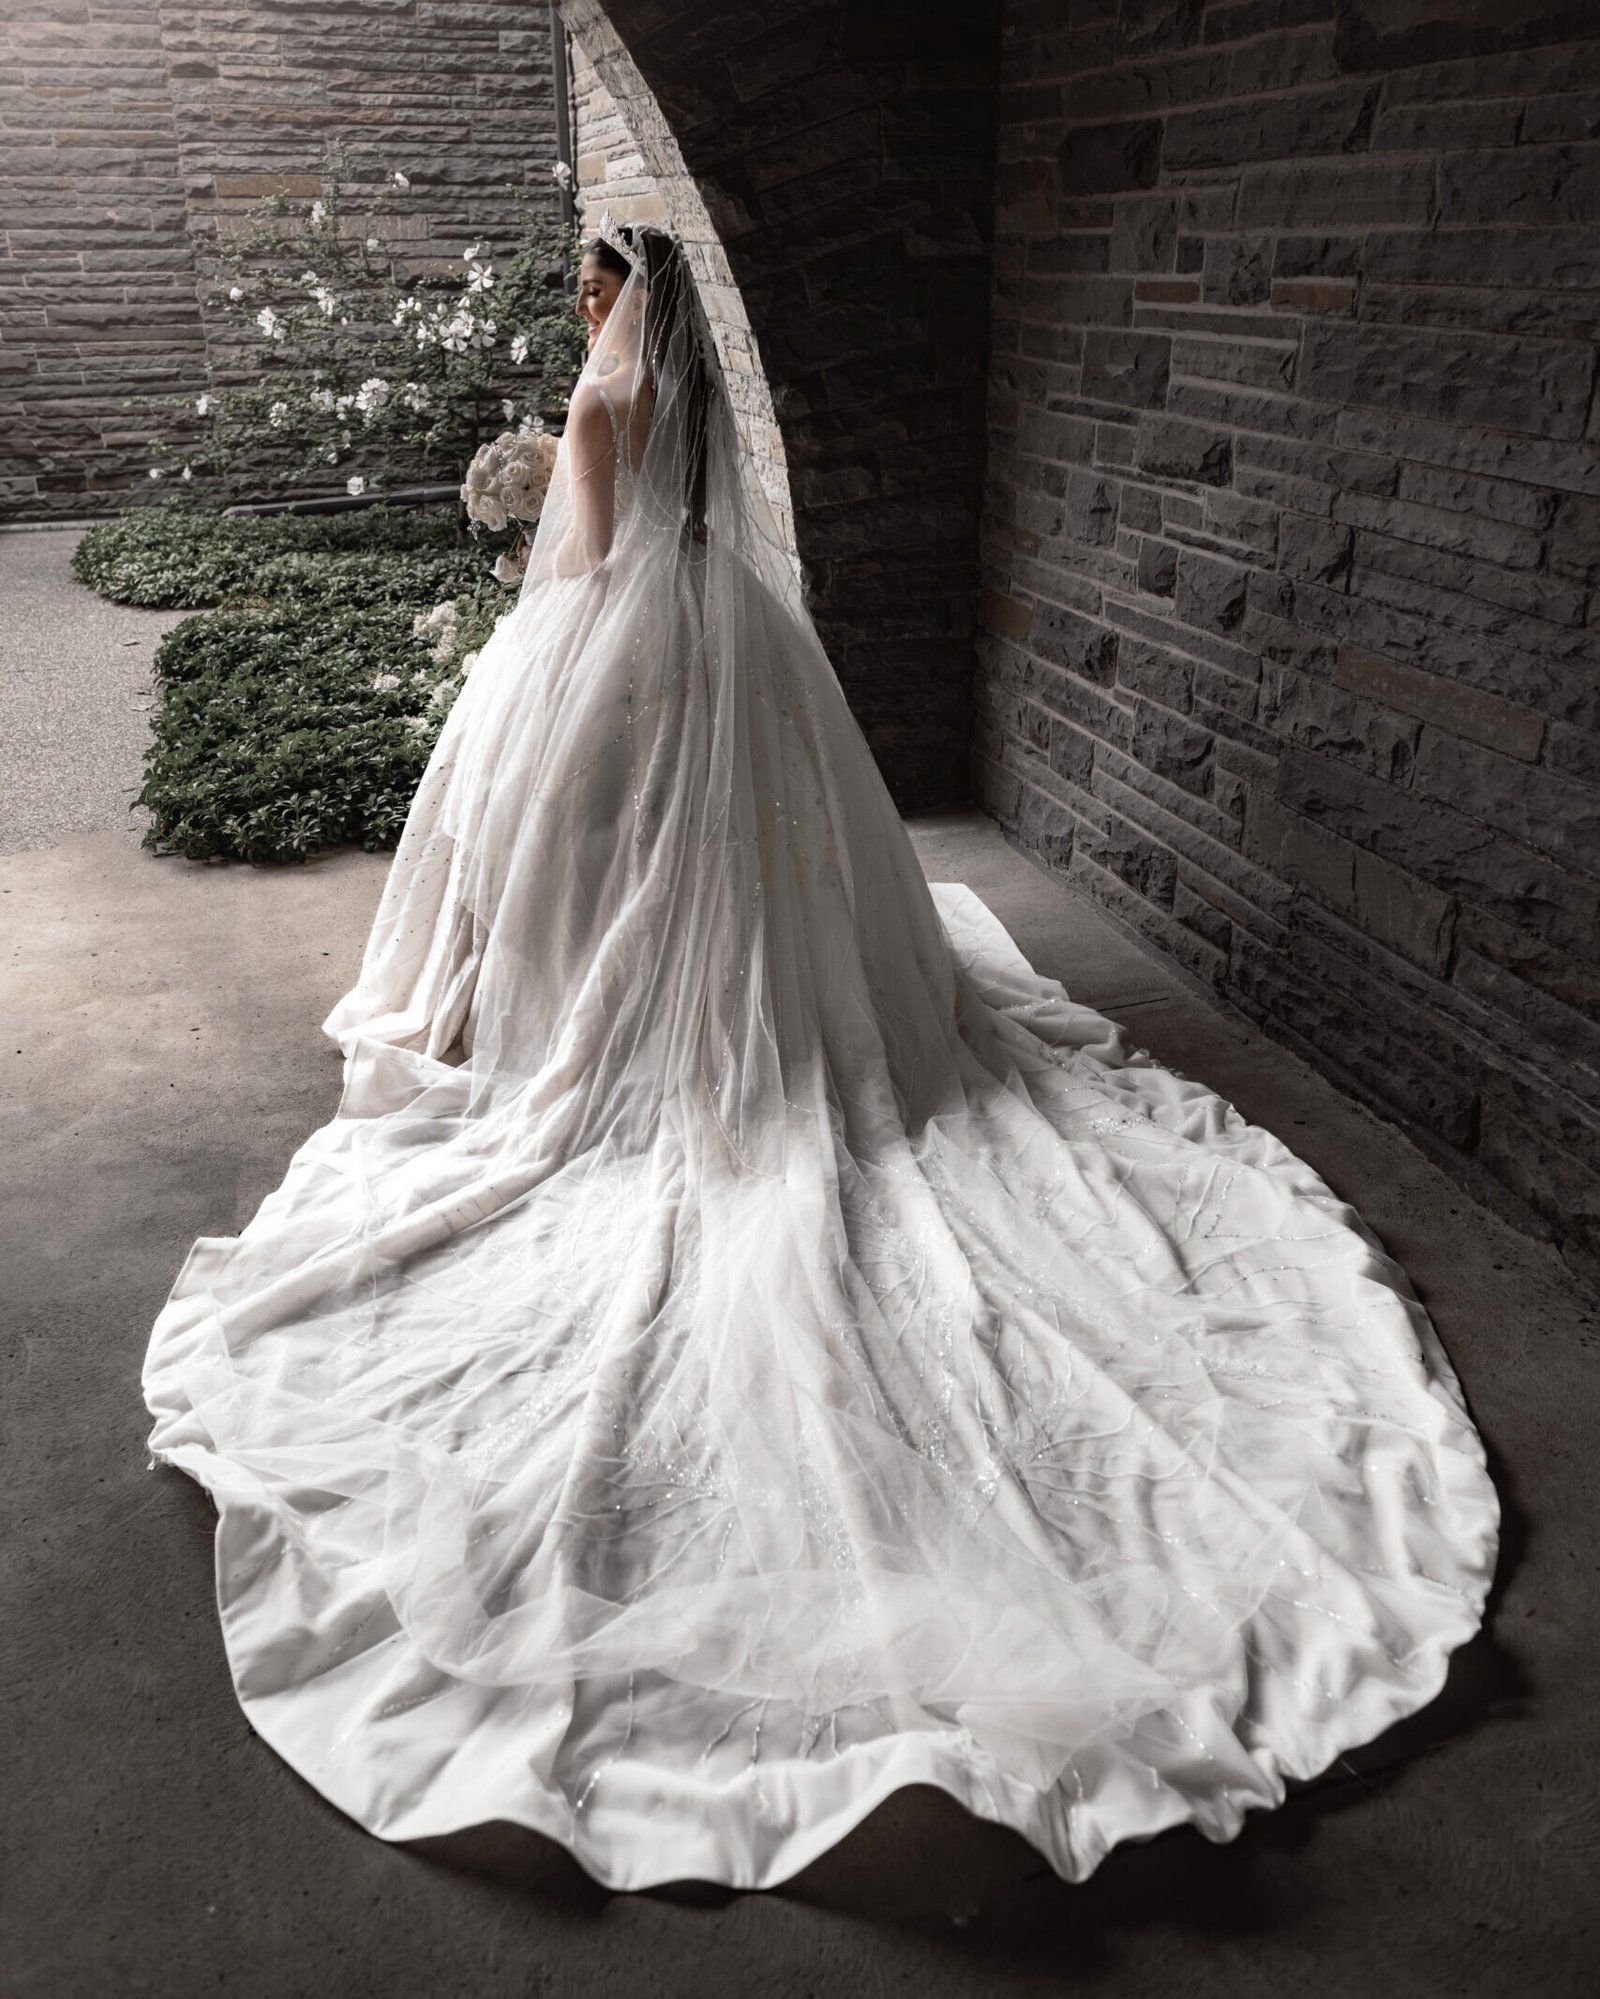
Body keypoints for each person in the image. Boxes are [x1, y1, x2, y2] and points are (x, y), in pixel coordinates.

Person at [143, 218, 1498, 1892]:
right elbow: (699, 527)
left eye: (590, 288)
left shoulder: (596, 408)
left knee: (589, 857)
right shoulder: (697, 395)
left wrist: (532, 572)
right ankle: (750, 1001)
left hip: (614, 638)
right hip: (722, 633)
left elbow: (581, 562)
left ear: (614, 301)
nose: (582, 308)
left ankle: (583, 1028)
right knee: (745, 862)